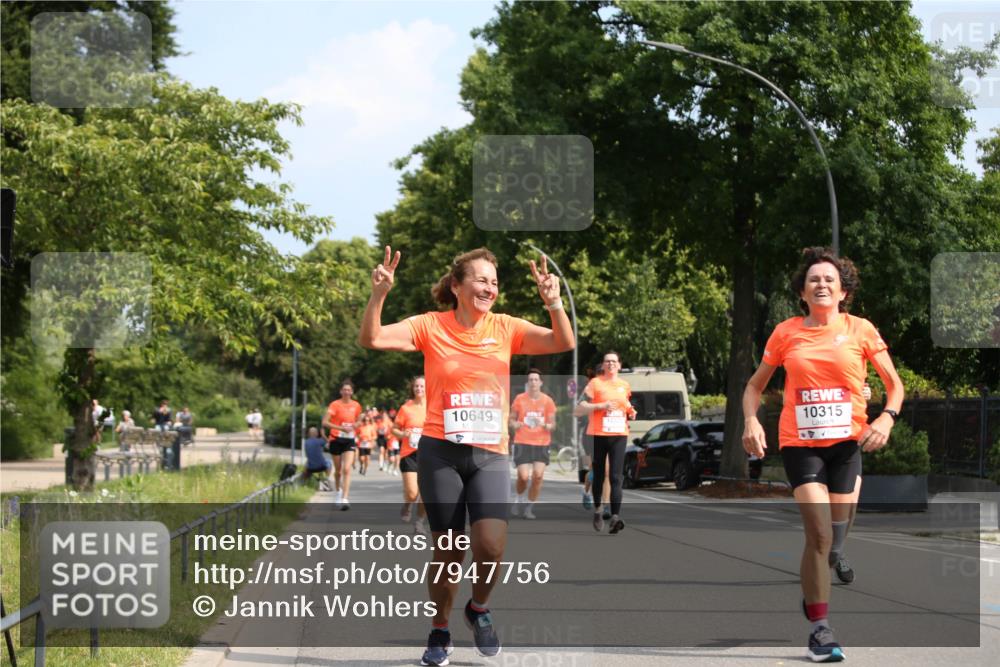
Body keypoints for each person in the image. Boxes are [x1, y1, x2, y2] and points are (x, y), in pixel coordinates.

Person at [359, 245, 573, 666]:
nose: (489, 288)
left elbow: (562, 341)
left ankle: (478, 608)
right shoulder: (429, 325)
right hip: (440, 453)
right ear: (456, 286)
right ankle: (440, 629)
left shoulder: (506, 327)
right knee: (450, 550)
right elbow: (372, 338)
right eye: (481, 280)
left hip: (490, 453)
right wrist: (378, 295)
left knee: (490, 545)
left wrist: (553, 302)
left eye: (494, 282)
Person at [742, 247, 903, 663]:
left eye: (830, 279)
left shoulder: (861, 329)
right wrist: (751, 421)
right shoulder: (786, 333)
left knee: (835, 539)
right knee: (818, 535)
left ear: (843, 291)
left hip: (847, 445)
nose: (822, 284)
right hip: (801, 445)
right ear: (802, 291)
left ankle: (821, 576)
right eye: (813, 279)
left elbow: (894, 385)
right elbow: (755, 385)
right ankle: (820, 630)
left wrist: (886, 419)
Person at [574, 351, 636, 534]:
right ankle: (598, 510)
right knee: (599, 476)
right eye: (607, 361)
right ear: (603, 365)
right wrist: (601, 406)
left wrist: (632, 411)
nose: (610, 364)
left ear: (619, 365)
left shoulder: (624, 385)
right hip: (598, 435)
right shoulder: (595, 383)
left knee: (616, 477)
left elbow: (625, 404)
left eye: (614, 361)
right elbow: (580, 406)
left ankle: (615, 517)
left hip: (619, 434)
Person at [509, 369, 557, 520]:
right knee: (523, 477)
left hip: (542, 443)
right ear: (527, 382)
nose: (533, 382)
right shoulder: (519, 399)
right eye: (531, 379)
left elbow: (553, 425)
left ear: (541, 383)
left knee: (538, 476)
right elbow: (511, 419)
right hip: (522, 441)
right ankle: (519, 498)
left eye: (536, 379)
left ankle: (529, 508)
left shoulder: (548, 401)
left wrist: (544, 425)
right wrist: (515, 424)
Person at [393, 376, 428, 535]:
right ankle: (408, 504)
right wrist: (403, 434)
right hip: (410, 454)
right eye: (416, 386)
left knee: (427, 492)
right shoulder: (406, 408)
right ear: (412, 389)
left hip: (429, 454)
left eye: (422, 386)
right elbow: (394, 429)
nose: (419, 389)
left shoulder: (433, 406)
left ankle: (419, 522)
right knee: (413, 493)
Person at [322, 381, 362, 510]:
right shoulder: (335, 404)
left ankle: (345, 498)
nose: (346, 392)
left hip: (349, 440)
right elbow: (325, 422)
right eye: (344, 389)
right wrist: (341, 428)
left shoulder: (356, 405)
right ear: (341, 391)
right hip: (336, 439)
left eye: (349, 390)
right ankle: (338, 492)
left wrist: (356, 425)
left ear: (352, 392)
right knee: (338, 471)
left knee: (347, 469)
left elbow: (359, 420)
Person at [303, 426, 333, 491]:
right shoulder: (320, 441)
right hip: (322, 466)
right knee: (329, 462)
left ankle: (304, 483)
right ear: (316, 434)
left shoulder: (306, 442)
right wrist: (323, 435)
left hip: (310, 468)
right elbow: (329, 445)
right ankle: (327, 479)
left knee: (306, 463)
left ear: (309, 434)